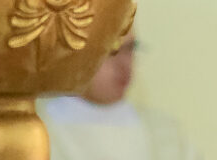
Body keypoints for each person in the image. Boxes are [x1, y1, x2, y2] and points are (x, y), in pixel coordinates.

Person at [36, 38, 202, 160]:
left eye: (130, 48)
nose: (125, 65)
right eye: (111, 52)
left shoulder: (167, 134)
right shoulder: (35, 133)